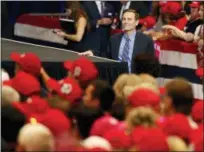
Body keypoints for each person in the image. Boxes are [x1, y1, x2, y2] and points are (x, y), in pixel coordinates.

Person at [79, 9, 155, 73]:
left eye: (129, 19)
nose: (126, 22)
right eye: (124, 19)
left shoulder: (146, 41)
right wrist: (93, 53)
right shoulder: (114, 39)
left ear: (136, 22)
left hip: (135, 79)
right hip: (116, 77)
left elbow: (150, 65)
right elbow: (107, 56)